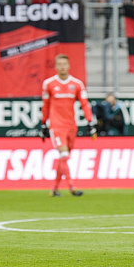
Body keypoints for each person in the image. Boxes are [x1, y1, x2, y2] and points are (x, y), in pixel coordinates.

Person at [40, 54, 96, 197]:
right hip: (56, 126)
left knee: (63, 157)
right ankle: (72, 187)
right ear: (56, 66)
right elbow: (45, 105)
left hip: (71, 126)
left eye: (65, 64)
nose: (62, 67)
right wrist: (43, 123)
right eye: (60, 64)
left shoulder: (77, 84)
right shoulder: (49, 84)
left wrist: (90, 121)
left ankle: (54, 189)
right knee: (63, 154)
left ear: (69, 66)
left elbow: (84, 104)